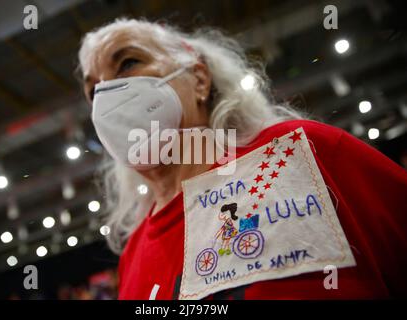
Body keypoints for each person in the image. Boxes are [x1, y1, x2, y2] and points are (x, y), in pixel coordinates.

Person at [77, 18, 407, 299]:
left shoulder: (299, 153)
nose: (107, 94)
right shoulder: (132, 255)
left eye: (128, 63)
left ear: (199, 79)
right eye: (93, 91)